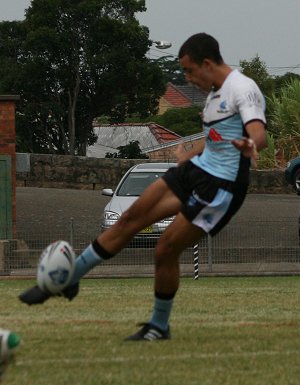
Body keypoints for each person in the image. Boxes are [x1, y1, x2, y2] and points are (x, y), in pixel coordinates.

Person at [19, 33, 267, 341]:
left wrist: (249, 143)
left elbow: (258, 133)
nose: (188, 79)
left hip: (220, 186)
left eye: (189, 71)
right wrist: (188, 154)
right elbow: (217, 136)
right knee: (129, 220)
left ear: (206, 63)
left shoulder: (243, 88)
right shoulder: (215, 94)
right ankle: (70, 278)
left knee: (165, 248)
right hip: (195, 171)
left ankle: (159, 326)